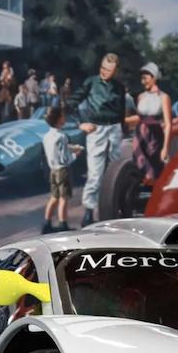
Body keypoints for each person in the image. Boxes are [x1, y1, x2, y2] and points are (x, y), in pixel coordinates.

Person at [74, 52, 127, 226]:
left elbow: (121, 111)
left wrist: (121, 129)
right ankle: (89, 212)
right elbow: (71, 102)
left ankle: (115, 209)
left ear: (115, 71)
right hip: (96, 130)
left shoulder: (119, 87)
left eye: (109, 70)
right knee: (95, 174)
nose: (104, 72)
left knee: (115, 171)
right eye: (103, 68)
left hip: (115, 129)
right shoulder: (91, 83)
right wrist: (80, 123)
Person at [125, 62, 173, 182]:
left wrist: (166, 148)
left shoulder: (164, 97)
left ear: (154, 77)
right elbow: (139, 117)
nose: (143, 82)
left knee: (153, 168)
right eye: (142, 79)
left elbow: (168, 124)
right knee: (138, 165)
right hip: (139, 135)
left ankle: (152, 189)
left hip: (155, 136)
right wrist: (123, 120)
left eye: (145, 78)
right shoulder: (141, 96)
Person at [42, 106, 83, 233]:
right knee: (64, 198)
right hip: (63, 171)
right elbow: (65, 158)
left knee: (54, 197)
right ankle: (63, 224)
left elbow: (57, 149)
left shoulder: (47, 136)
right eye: (63, 115)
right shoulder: (62, 136)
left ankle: (47, 224)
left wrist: (72, 147)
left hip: (53, 170)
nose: (64, 118)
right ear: (59, 119)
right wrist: (76, 154)